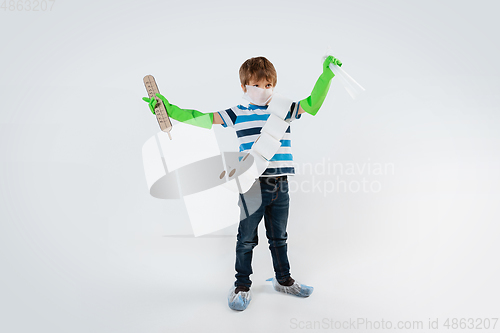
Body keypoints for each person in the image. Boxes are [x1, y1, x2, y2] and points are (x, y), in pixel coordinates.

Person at [143, 54, 342, 311]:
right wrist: (168, 109)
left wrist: (326, 75)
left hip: (280, 185)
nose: (263, 90)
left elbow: (312, 104)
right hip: (251, 185)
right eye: (257, 85)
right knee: (246, 238)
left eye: (268, 85)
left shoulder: (285, 108)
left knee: (279, 237)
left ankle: (283, 280)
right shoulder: (237, 113)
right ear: (244, 87)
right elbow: (200, 118)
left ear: (274, 85)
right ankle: (241, 286)